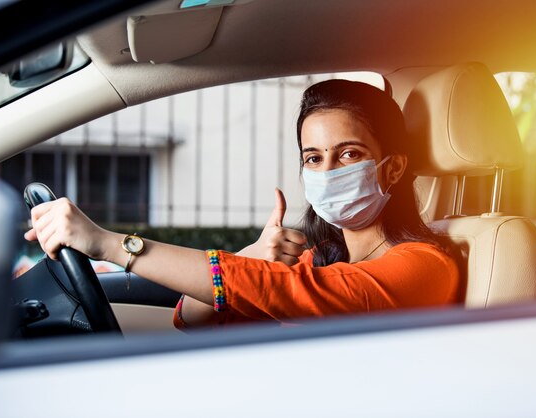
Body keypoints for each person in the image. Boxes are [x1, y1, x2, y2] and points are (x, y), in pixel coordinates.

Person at [25, 79, 460, 330]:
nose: (327, 171)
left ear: (394, 168)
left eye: (349, 154)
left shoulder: (424, 265)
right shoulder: (322, 258)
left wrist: (109, 244)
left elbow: (291, 293)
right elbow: (189, 321)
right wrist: (253, 256)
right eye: (313, 157)